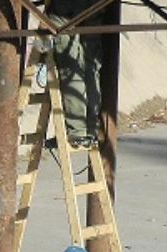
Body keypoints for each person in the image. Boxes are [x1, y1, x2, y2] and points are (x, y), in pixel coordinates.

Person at [47, 0, 104, 148]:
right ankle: (92, 129)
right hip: (96, 5)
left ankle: (77, 130)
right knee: (90, 66)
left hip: (67, 7)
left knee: (70, 67)